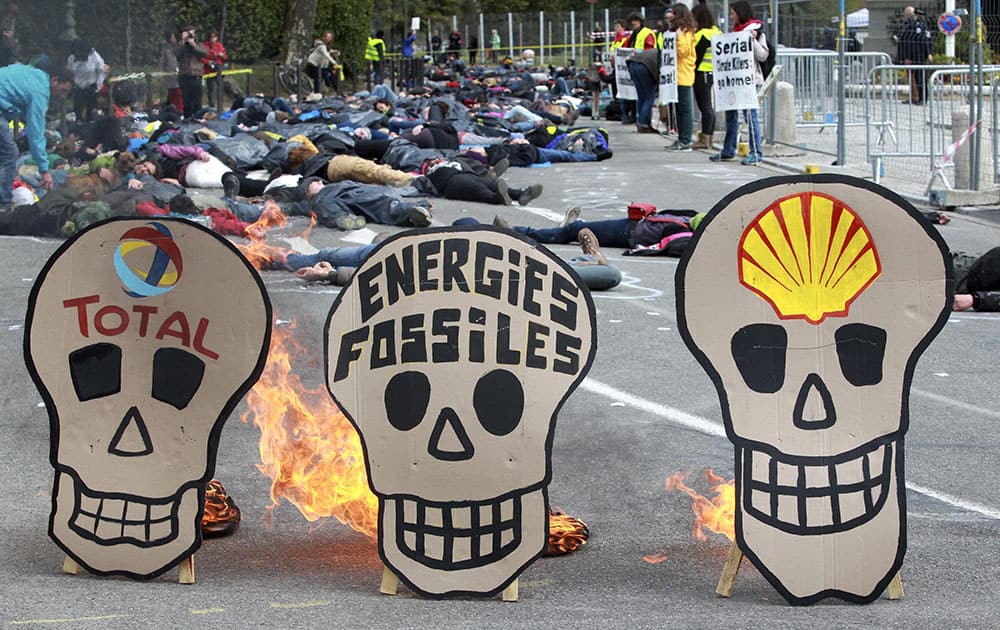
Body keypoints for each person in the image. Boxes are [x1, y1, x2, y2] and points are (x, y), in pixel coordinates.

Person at [0, 63, 73, 209]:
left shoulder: (35, 75)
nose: (62, 96)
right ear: (54, 80)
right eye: (63, 90)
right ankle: (4, 204)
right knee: (9, 153)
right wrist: (44, 170)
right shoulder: (40, 91)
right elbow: (35, 133)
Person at [709, 1, 768, 166]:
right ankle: (728, 150)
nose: (731, 16)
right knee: (731, 116)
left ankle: (755, 151)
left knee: (751, 116)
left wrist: (754, 40)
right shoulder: (734, 33)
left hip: (749, 80)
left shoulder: (756, 31)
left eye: (733, 12)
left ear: (740, 13)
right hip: (733, 80)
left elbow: (763, 55)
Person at [665, 3, 696, 151]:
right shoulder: (677, 31)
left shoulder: (685, 32)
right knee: (678, 108)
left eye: (673, 14)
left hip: (683, 73)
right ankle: (681, 138)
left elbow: (684, 52)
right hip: (675, 74)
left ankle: (685, 140)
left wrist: (677, 40)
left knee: (684, 108)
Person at [691, 3, 722, 150]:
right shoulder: (717, 32)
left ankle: (705, 138)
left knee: (705, 107)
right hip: (712, 72)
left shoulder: (701, 35)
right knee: (708, 107)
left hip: (701, 72)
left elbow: (696, 57)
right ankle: (708, 137)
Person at [622, 12, 658, 126]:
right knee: (648, 96)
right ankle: (643, 122)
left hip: (635, 64)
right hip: (645, 65)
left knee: (642, 96)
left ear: (640, 21)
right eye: (632, 20)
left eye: (635, 20)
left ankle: (640, 120)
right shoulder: (637, 34)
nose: (633, 23)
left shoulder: (643, 33)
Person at [894, 6, 933, 105]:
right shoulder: (908, 25)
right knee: (913, 78)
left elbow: (924, 40)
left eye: (908, 15)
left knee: (920, 78)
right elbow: (904, 39)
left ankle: (922, 98)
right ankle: (914, 97)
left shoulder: (921, 26)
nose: (906, 17)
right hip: (911, 56)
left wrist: (929, 53)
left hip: (918, 56)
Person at [66, 40, 107, 122]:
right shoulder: (72, 58)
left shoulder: (95, 57)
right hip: (78, 87)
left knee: (91, 111)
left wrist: (98, 86)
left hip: (91, 87)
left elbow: (102, 71)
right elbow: (69, 71)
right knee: (77, 110)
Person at [175, 25, 209, 119]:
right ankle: (187, 119)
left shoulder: (199, 44)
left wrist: (194, 45)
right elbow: (176, 54)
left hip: (196, 76)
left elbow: (206, 53)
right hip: (184, 76)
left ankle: (197, 118)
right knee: (186, 101)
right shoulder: (181, 44)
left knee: (197, 101)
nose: (190, 35)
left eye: (192, 33)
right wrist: (183, 42)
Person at [201, 31, 228, 109]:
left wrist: (222, 55)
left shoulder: (219, 45)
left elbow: (225, 57)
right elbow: (202, 58)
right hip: (209, 70)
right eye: (211, 37)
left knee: (220, 87)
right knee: (210, 88)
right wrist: (208, 62)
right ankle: (211, 104)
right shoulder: (205, 46)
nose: (213, 39)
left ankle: (220, 105)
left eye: (214, 37)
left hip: (219, 69)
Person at [158, 31, 183, 112]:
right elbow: (162, 62)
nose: (172, 39)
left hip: (181, 73)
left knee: (179, 93)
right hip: (170, 74)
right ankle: (172, 108)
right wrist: (161, 72)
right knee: (172, 92)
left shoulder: (181, 47)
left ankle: (180, 109)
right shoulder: (166, 49)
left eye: (173, 37)